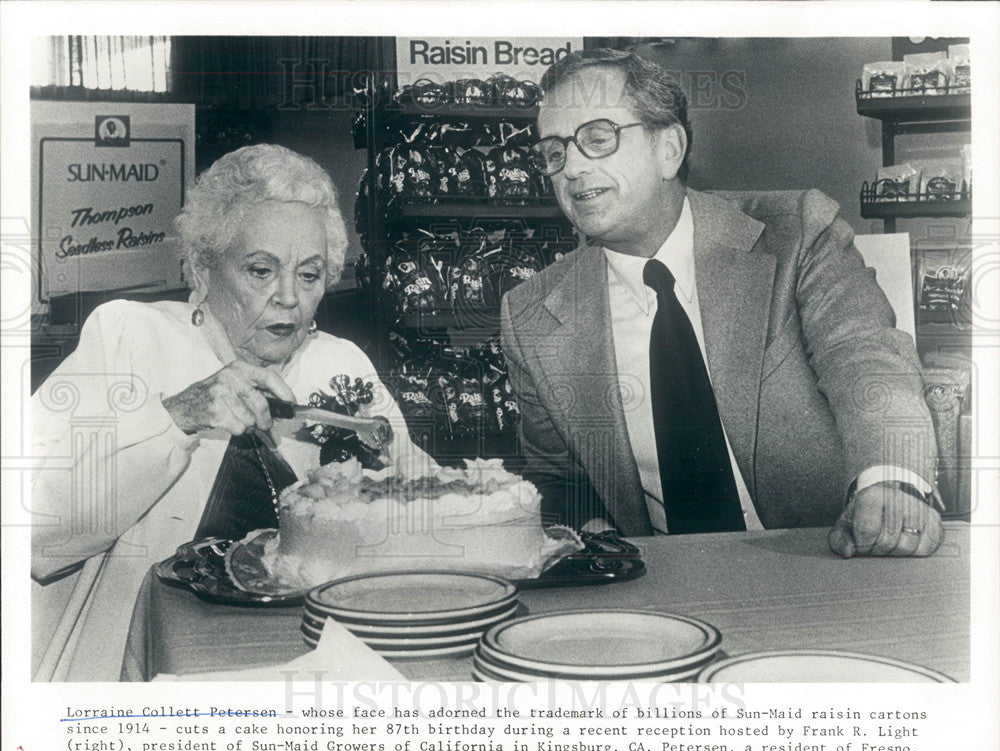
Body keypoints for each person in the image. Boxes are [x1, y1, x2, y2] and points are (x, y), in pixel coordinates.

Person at [500, 48, 942, 558]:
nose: (571, 168)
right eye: (554, 153)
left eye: (597, 140)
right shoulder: (532, 315)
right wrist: (592, 531)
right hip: (661, 589)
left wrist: (890, 479)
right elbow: (559, 481)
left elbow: (869, 364)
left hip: (830, 561)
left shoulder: (795, 233)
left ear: (670, 148)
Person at [31, 144, 425, 681]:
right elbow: (34, 528)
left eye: (309, 275)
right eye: (260, 270)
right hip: (145, 670)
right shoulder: (128, 336)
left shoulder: (341, 365)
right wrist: (178, 416)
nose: (288, 297)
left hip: (311, 668)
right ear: (202, 267)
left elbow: (417, 501)